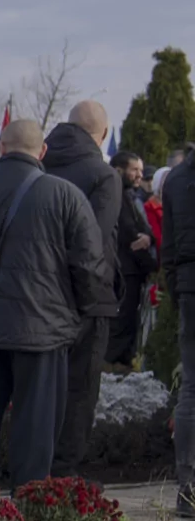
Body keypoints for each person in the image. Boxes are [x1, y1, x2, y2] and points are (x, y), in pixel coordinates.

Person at [0, 120, 111, 488]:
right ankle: (29, 510)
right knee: (36, 430)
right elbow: (90, 268)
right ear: (41, 151)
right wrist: (81, 314)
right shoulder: (67, 196)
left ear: (0, 146)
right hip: (45, 333)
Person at [42, 101, 121, 476]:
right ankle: (63, 479)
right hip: (87, 299)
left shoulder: (39, 165)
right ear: (103, 134)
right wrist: (93, 300)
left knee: (43, 388)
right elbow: (94, 240)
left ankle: (35, 472)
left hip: (40, 296)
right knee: (80, 392)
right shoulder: (103, 175)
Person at [159, 153, 195, 513]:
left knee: (192, 391)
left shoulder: (177, 178)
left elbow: (167, 249)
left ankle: (189, 489)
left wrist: (180, 288)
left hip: (190, 289)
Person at [108, 150, 157, 366]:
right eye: (134, 169)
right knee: (121, 322)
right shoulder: (115, 196)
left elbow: (143, 230)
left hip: (132, 269)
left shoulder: (126, 195)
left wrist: (148, 238)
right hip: (123, 269)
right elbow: (130, 233)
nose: (140, 174)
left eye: (141, 169)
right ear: (120, 170)